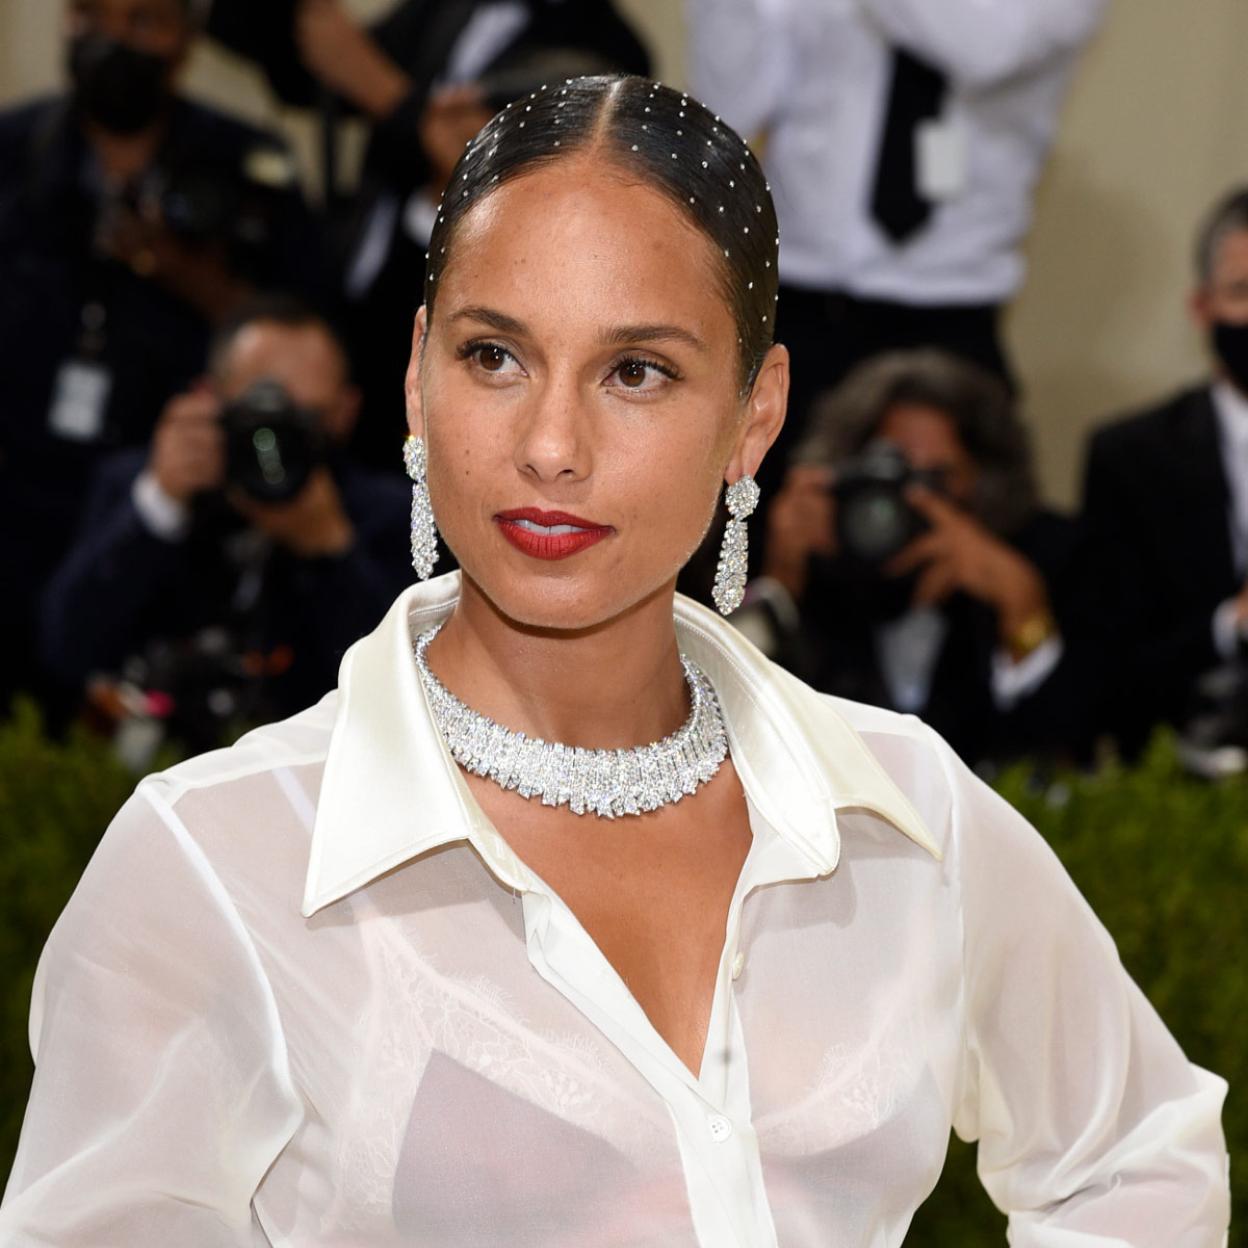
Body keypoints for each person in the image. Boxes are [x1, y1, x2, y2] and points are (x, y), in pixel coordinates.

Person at [1, 78, 1229, 1245]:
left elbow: (1138, 1155)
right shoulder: (218, 860)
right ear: (420, 377)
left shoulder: (902, 811)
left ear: (755, 413)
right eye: (495, 356)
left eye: (636, 371)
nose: (550, 444)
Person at [0, 0, 319, 710]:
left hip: (180, 532)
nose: (116, 40)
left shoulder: (251, 168)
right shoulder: (13, 151)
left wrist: (196, 281)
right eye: (94, 14)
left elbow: (316, 343)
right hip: (20, 521)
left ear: (186, 40)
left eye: (144, 20)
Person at [687, 0, 1109, 513]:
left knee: (946, 545)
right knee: (753, 529)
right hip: (797, 300)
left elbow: (985, 47)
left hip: (948, 316)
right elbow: (729, 103)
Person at [205, 0, 652, 468]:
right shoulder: (447, 10)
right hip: (362, 284)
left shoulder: (608, 48)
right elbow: (312, 72)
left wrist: (391, 98)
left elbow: (531, 167)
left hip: (466, 306)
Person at [39, 297, 412, 750]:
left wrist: (331, 549)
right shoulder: (142, 483)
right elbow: (65, 648)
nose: (273, 443)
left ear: (345, 413)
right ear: (209, 397)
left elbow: (400, 699)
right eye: (259, 413)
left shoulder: (389, 515)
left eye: (303, 419)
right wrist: (160, 506)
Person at [743, 350, 1091, 768]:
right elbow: (738, 726)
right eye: (888, 472)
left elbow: (1074, 753)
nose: (908, 502)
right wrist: (782, 581)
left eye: (934, 480)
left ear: (983, 483)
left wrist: (1023, 611)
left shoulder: (1047, 557)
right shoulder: (812, 566)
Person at [1081, 186, 1248, 760]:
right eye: (1242, 291)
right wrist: (1231, 624)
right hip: (1177, 779)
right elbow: (1108, 666)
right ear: (1202, 307)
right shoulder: (1131, 458)